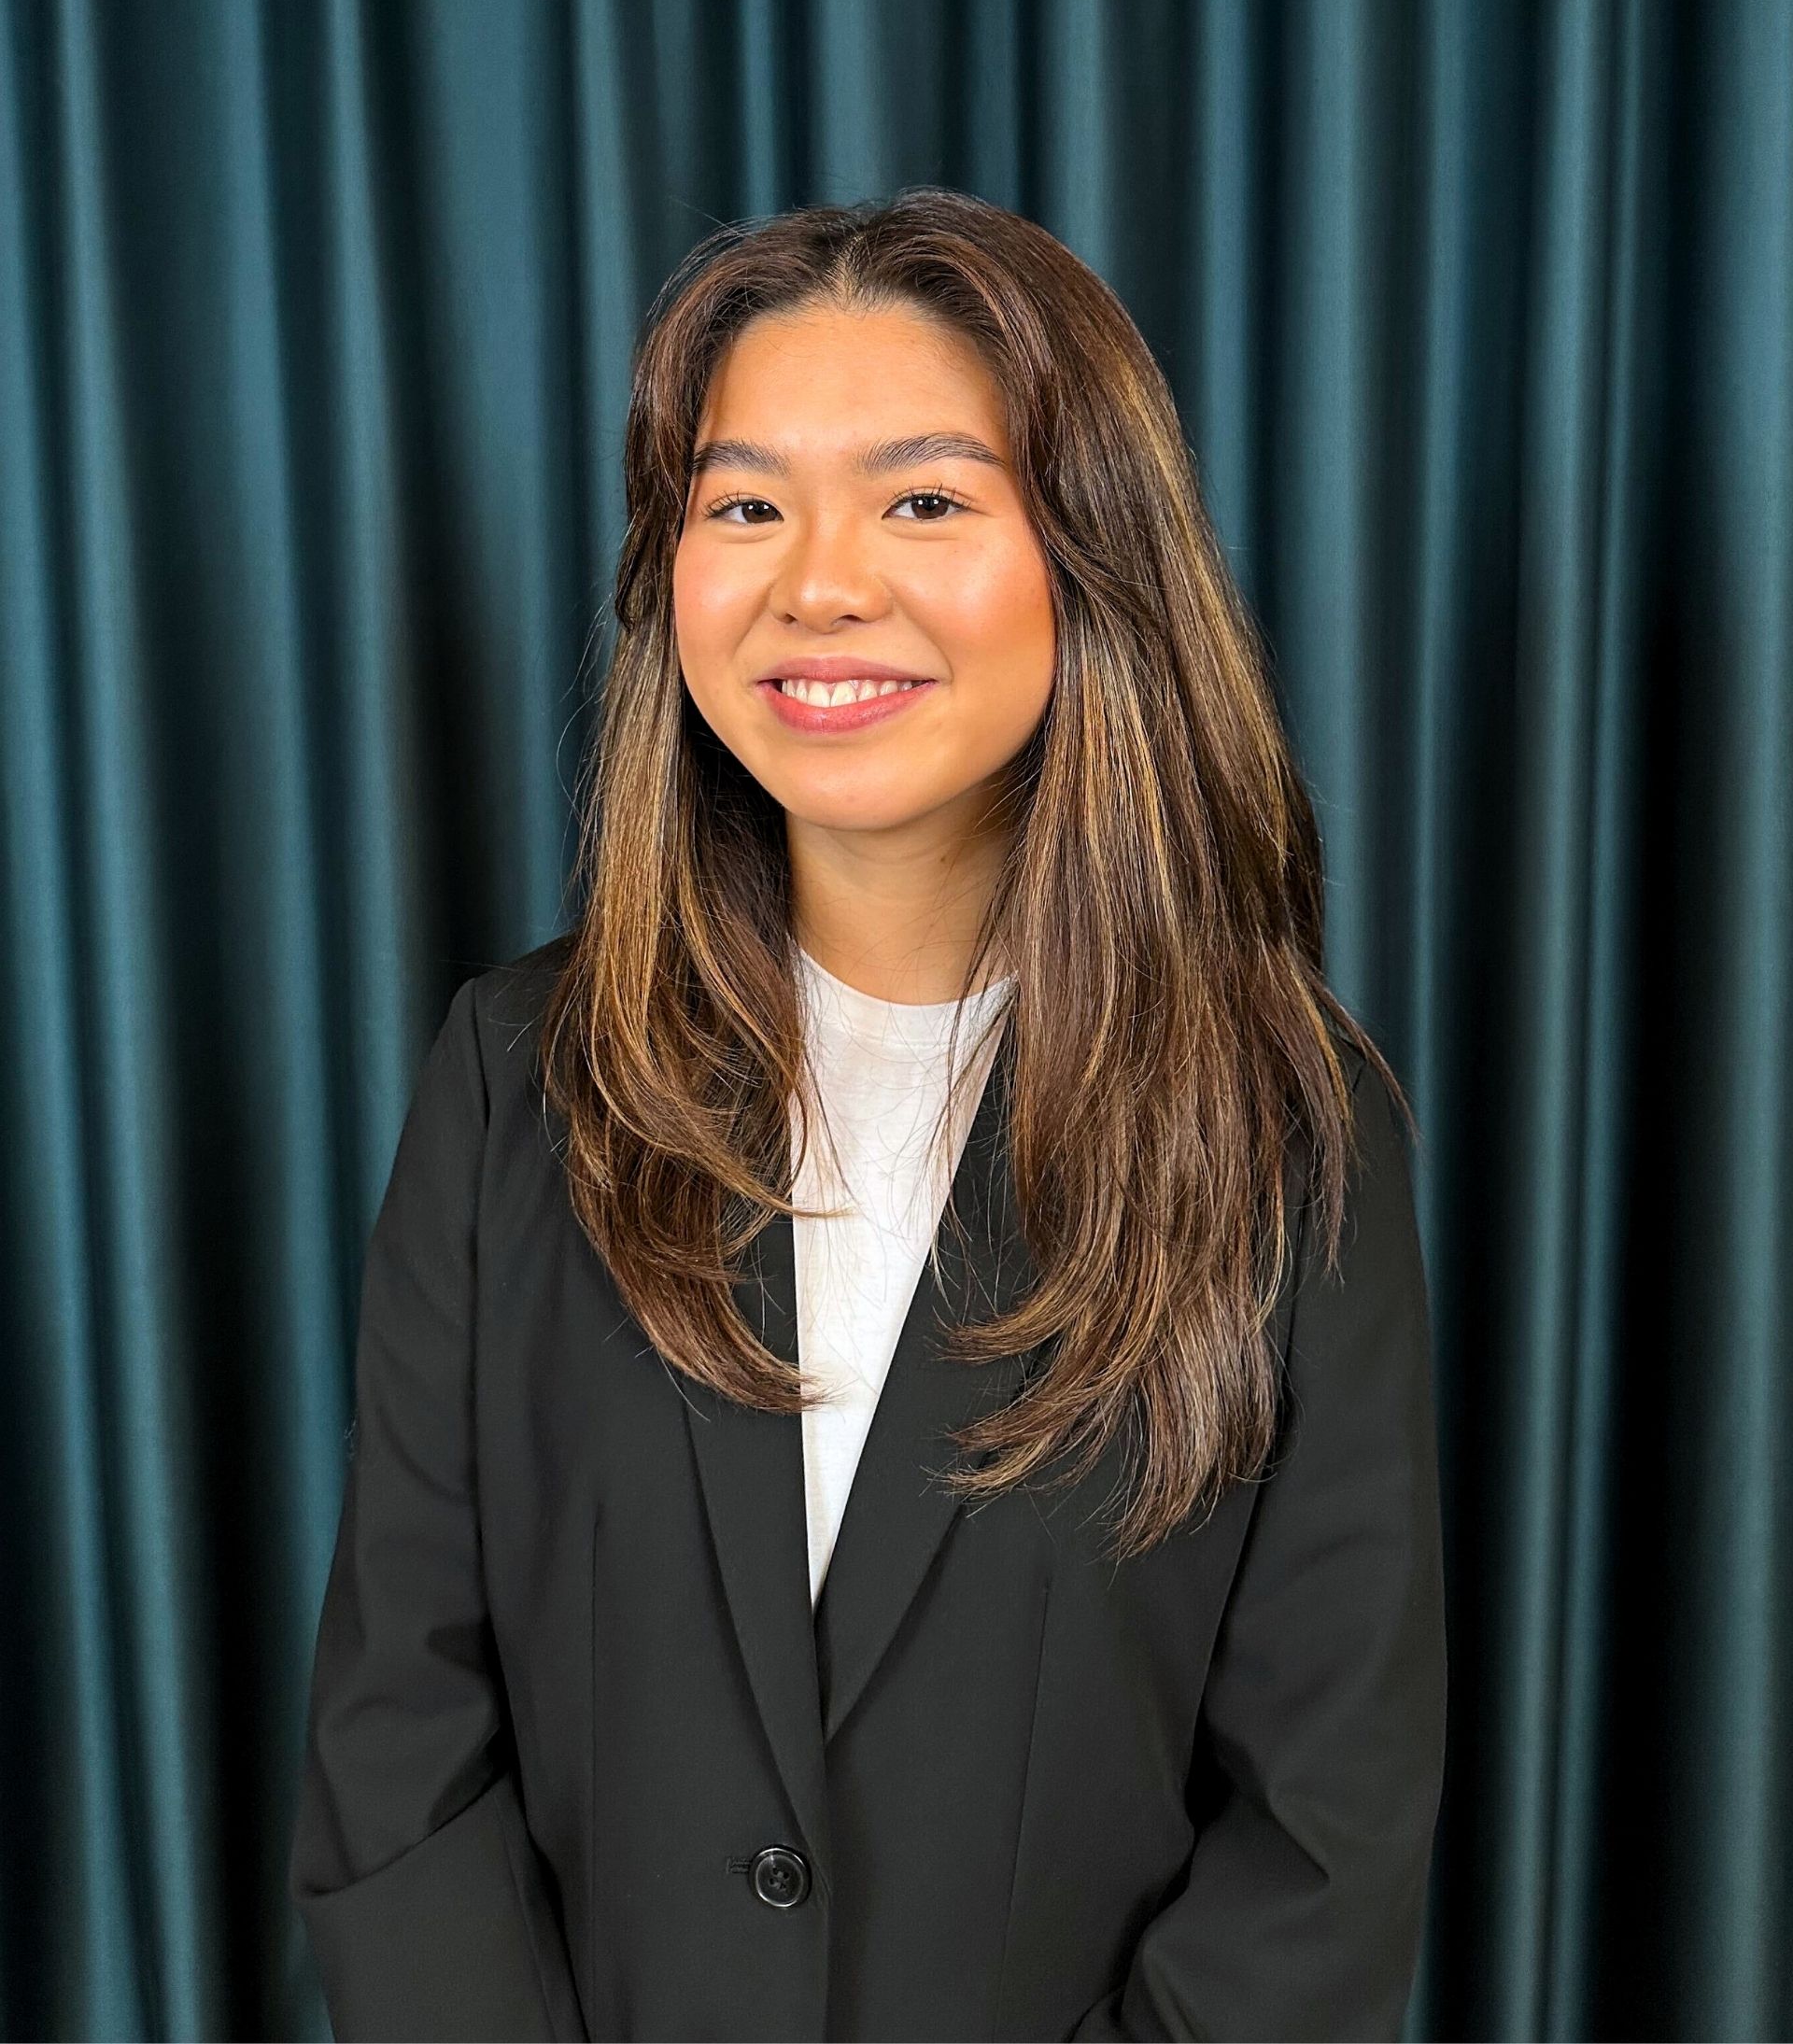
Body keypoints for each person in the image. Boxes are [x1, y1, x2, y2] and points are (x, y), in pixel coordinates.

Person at [288, 188, 1447, 2042]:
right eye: (743, 504)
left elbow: (1323, 1831)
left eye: (923, 497)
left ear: (1096, 557)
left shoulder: (1288, 1124)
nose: (817, 582)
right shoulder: (516, 1078)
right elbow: (401, 1743)